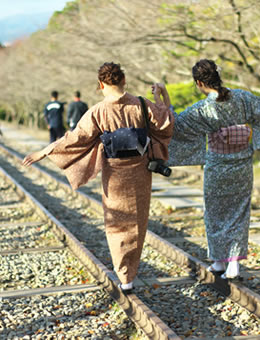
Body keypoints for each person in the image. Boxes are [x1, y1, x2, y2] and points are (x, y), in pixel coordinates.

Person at [23, 62, 174, 293]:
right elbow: (166, 123)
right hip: (141, 172)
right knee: (137, 223)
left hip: (114, 173)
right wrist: (162, 96)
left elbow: (75, 138)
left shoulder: (98, 111)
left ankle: (124, 277)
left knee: (116, 224)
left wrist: (46, 151)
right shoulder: (142, 104)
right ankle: (130, 271)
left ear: (101, 84)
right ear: (124, 81)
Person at [157, 59, 260, 280]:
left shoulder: (203, 108)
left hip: (218, 166)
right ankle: (232, 264)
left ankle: (220, 261)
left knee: (215, 212)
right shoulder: (242, 97)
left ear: (199, 83)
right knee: (239, 213)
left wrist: (163, 98)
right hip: (242, 165)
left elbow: (176, 125)